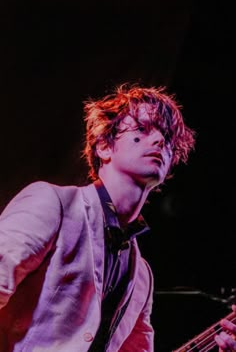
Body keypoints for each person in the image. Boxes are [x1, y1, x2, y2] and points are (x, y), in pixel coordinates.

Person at [0, 83, 234, 352]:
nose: (159, 140)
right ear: (103, 146)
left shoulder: (142, 276)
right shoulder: (54, 204)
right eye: (143, 130)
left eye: (167, 138)